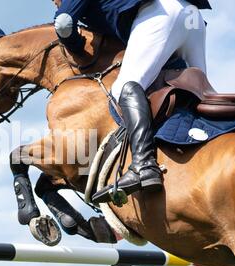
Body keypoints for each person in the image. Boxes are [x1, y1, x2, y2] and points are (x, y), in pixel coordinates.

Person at [52, 0, 211, 201]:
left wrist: (76, 48)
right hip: (192, 16)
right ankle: (212, 144)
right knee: (198, 90)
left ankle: (143, 166)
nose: (55, 3)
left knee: (123, 87)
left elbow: (64, 24)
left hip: (160, 13)